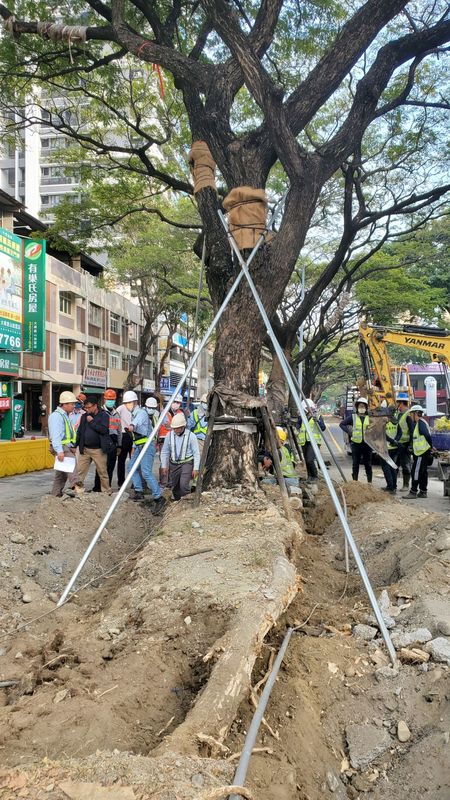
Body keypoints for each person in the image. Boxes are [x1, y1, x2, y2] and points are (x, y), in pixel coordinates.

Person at [126, 392, 167, 514]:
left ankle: (159, 498)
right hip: (140, 445)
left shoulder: (142, 413)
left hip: (147, 446)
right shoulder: (140, 413)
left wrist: (132, 425)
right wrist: (134, 446)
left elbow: (137, 423)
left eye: (153, 408)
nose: (151, 410)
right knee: (131, 468)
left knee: (147, 472)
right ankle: (139, 491)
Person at [47, 391, 84, 497]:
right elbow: (56, 436)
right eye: (72, 404)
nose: (74, 406)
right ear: (65, 404)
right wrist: (60, 451)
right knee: (71, 463)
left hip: (65, 446)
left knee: (61, 474)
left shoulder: (65, 415)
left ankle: (55, 495)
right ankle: (77, 488)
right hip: (60, 446)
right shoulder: (56, 417)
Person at [76, 395, 111, 494]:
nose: (86, 410)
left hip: (98, 449)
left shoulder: (103, 415)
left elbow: (103, 430)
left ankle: (106, 492)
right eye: (85, 408)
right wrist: (76, 445)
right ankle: (78, 491)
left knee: (102, 472)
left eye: (88, 407)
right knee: (80, 471)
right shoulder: (84, 416)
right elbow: (80, 431)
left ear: (95, 406)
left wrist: (91, 421)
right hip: (85, 449)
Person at [160, 414, 200, 501]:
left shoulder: (191, 436)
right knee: (175, 487)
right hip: (174, 464)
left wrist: (195, 468)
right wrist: (164, 465)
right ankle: (178, 502)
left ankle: (187, 502)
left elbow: (196, 453)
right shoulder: (169, 436)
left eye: (177, 428)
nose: (175, 430)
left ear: (183, 427)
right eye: (174, 428)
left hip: (186, 463)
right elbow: (165, 451)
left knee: (184, 484)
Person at [403, 405, 435, 499]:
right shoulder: (421, 423)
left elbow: (427, 436)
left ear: (415, 413)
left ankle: (413, 491)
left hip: (421, 453)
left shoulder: (420, 423)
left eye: (411, 414)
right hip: (423, 452)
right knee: (423, 471)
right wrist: (430, 447)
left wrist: (431, 446)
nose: (410, 416)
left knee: (416, 471)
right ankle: (423, 491)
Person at [93, 389, 122, 491]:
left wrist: (119, 445)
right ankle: (97, 488)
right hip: (103, 441)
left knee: (110, 466)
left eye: (112, 399)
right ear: (104, 399)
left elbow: (119, 430)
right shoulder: (99, 412)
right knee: (101, 467)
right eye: (109, 399)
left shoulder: (116, 413)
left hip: (113, 442)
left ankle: (107, 487)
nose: (111, 401)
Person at [340, 396, 373, 483]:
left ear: (366, 408)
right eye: (360, 406)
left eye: (363, 406)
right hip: (356, 444)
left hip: (367, 444)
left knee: (368, 464)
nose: (361, 408)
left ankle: (369, 482)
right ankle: (355, 482)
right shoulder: (353, 417)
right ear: (357, 407)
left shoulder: (370, 418)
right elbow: (342, 424)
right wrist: (349, 431)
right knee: (355, 464)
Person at [297, 400, 326, 483]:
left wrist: (318, 421)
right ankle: (309, 477)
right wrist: (298, 428)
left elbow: (323, 428)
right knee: (306, 460)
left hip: (314, 442)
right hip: (304, 441)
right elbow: (298, 424)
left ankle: (314, 475)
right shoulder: (302, 417)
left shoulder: (317, 416)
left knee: (310, 460)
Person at [395, 392, 414, 493]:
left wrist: (410, 445)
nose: (396, 404)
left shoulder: (408, 415)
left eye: (397, 402)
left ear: (401, 403)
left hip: (405, 444)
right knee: (395, 464)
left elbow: (412, 431)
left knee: (405, 464)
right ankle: (393, 485)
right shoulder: (399, 414)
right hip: (398, 444)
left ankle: (406, 485)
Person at [116, 391, 135, 487]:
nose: (129, 404)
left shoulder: (137, 409)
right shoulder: (121, 408)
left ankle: (135, 482)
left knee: (134, 460)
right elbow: (116, 417)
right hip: (124, 435)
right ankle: (121, 481)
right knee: (121, 460)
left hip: (133, 436)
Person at [380, 413, 402, 495]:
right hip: (394, 448)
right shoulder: (395, 421)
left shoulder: (384, 422)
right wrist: (395, 441)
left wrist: (392, 441)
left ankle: (390, 487)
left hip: (386, 448)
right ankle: (394, 486)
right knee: (393, 467)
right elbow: (400, 433)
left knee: (386, 468)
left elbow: (383, 435)